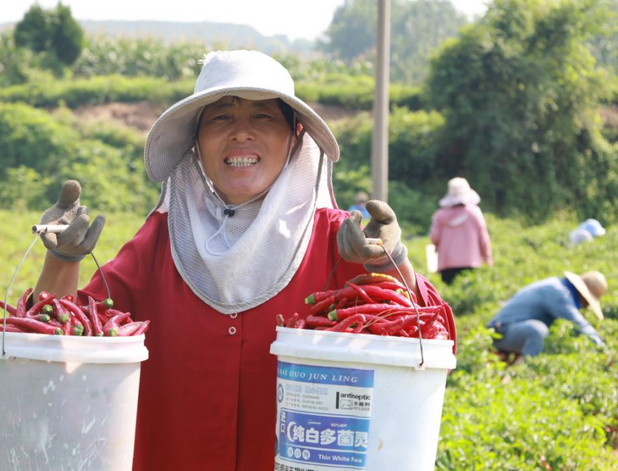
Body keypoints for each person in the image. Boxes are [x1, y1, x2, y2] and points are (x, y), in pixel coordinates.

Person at [32, 50, 450, 470]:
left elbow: (423, 345)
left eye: (263, 117)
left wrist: (394, 262)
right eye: (220, 119)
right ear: (195, 142)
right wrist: (61, 261)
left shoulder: (343, 242)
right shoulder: (162, 241)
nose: (241, 134)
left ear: (295, 137)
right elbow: (61, 343)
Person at [487, 271, 606, 359]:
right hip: (501, 333)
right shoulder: (558, 293)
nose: (584, 306)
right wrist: (600, 346)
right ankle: (530, 374)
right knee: (537, 330)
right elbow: (577, 324)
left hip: (511, 330)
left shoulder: (558, 287)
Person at [430, 177, 493, 284]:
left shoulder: (440, 215)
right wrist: (488, 259)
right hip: (470, 263)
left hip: (447, 264)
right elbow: (483, 239)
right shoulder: (474, 213)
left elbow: (434, 238)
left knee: (448, 298)